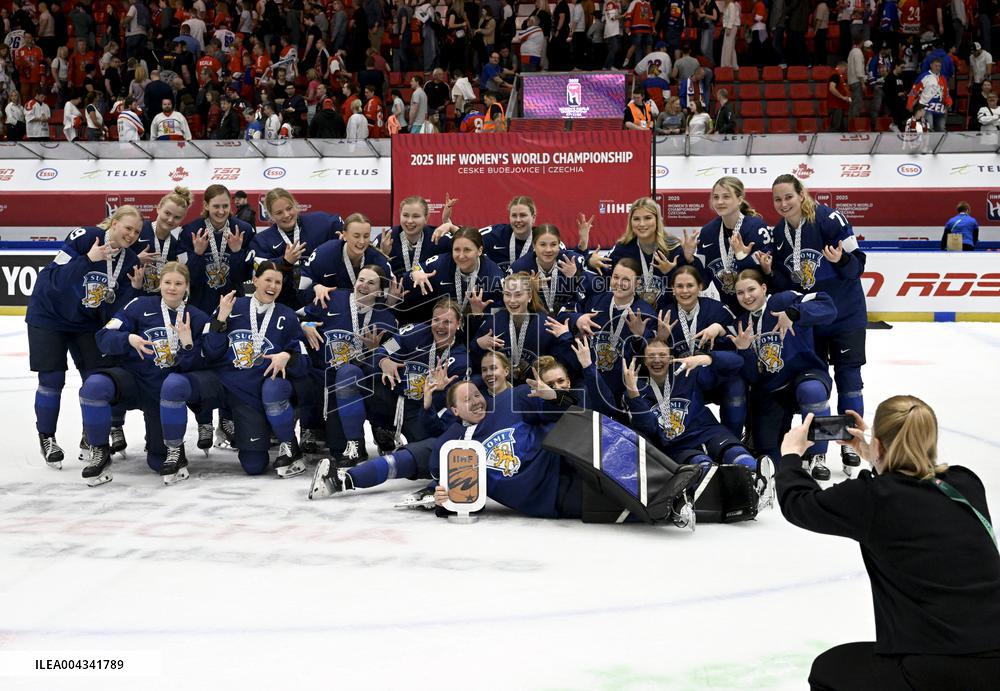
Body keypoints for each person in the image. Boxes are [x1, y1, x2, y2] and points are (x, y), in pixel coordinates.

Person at [777, 397, 1000, 690]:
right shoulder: (966, 483)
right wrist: (876, 457)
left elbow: (798, 503)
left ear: (879, 443)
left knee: (828, 670)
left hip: (936, 668)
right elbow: (913, 487)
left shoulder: (873, 497)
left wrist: (791, 455)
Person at [159, 262, 311, 479]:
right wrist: (220, 319)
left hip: (250, 395)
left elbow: (303, 361)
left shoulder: (287, 316)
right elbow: (210, 352)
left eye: (278, 282)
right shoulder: (231, 306)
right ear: (255, 280)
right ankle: (174, 451)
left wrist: (287, 356)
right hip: (219, 382)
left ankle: (283, 443)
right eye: (268, 279)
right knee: (174, 384)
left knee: (254, 465)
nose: (273, 286)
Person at [764, 174, 868, 479]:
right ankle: (819, 448)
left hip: (846, 315)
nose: (783, 204)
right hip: (811, 320)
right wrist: (770, 273)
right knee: (817, 383)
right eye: (777, 199)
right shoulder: (779, 234)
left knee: (849, 378)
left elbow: (859, 264)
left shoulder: (829, 219)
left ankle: (850, 442)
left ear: (801, 194)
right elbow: (787, 285)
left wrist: (841, 261)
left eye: (788, 197)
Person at [27, 206, 145, 467]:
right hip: (49, 315)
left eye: (137, 232)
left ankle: (90, 437)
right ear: (113, 224)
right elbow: (54, 278)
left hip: (85, 323)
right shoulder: (84, 237)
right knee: (52, 378)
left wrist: (134, 290)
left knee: (96, 379)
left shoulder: (131, 261)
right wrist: (87, 259)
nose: (132, 235)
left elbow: (115, 311)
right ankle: (47, 437)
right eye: (128, 228)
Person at [79, 262, 212, 485]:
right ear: (159, 284)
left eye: (178, 284)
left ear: (187, 287)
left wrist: (188, 345)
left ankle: (172, 448)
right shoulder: (139, 305)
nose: (172, 288)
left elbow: (208, 359)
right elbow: (103, 337)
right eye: (167, 282)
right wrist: (127, 339)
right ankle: (99, 451)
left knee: (157, 463)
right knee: (94, 387)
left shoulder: (196, 317)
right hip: (135, 381)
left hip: (166, 394)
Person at [728, 269, 836, 469]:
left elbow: (828, 306)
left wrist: (794, 313)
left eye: (751, 289)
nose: (747, 296)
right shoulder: (740, 325)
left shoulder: (784, 300)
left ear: (764, 288)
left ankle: (819, 453)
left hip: (805, 374)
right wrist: (744, 352)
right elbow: (753, 376)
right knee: (767, 451)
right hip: (773, 389)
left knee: (813, 392)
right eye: (740, 293)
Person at [300, 265, 398, 464]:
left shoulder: (385, 317)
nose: (364, 286)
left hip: (360, 384)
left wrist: (377, 351)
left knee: (351, 373)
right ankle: (322, 431)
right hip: (328, 383)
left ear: (380, 290)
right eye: (361, 280)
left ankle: (379, 427)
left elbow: (397, 348)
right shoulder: (332, 299)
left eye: (371, 283)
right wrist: (305, 326)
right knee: (336, 450)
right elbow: (299, 317)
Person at [687, 176, 774, 313]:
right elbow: (703, 282)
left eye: (726, 197)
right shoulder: (707, 232)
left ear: (739, 199)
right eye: (716, 197)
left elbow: (766, 276)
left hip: (757, 307)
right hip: (727, 309)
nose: (720, 202)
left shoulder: (757, 229)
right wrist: (690, 258)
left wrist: (742, 258)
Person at [250, 188, 343, 309]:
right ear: (271, 215)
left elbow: (341, 228)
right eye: (279, 213)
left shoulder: (321, 223)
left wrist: (345, 238)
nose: (287, 215)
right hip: (283, 306)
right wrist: (285, 262)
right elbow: (260, 275)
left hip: (323, 301)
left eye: (289, 208)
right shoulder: (262, 241)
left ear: (295, 205)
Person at [588, 197, 684, 306]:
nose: (642, 224)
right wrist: (590, 260)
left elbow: (690, 286)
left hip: (669, 312)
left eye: (648, 218)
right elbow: (602, 272)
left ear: (657, 220)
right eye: (636, 219)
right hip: (631, 313)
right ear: (630, 222)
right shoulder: (622, 248)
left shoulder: (673, 247)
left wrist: (671, 272)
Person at [907, 57, 951, 132]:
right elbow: (914, 91)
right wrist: (910, 104)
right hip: (926, 107)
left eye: (939, 66)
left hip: (939, 108)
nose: (937, 68)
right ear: (931, 65)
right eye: (936, 66)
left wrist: (948, 103)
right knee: (929, 127)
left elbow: (946, 93)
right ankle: (928, 143)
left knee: (941, 129)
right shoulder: (924, 76)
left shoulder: (943, 78)